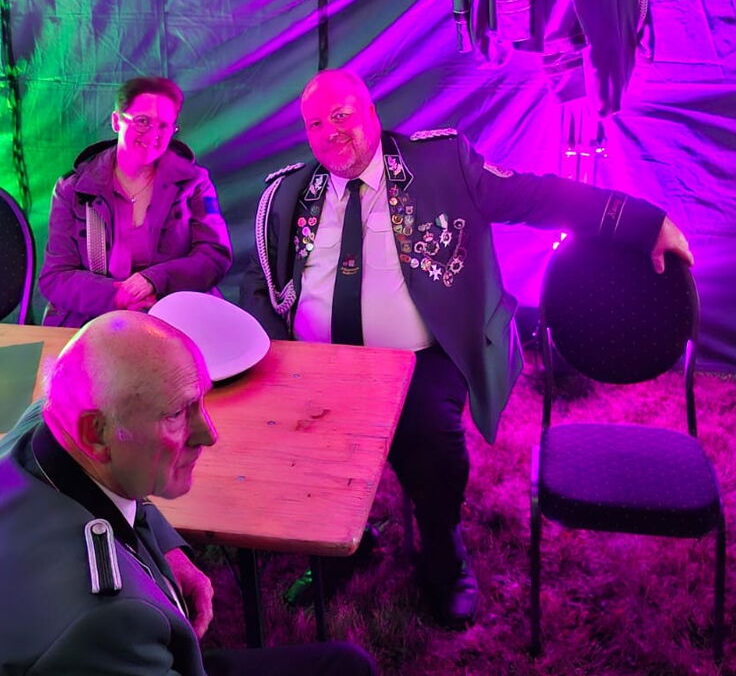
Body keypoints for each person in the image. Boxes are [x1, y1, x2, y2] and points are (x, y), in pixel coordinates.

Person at [241, 68, 694, 629]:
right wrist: (281, 354)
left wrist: (639, 221)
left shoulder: (442, 164)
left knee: (433, 445)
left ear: (371, 112)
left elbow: (535, 195)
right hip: (324, 365)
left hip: (419, 358)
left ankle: (442, 547)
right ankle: (344, 546)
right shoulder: (287, 194)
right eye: (315, 123)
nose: (331, 132)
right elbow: (260, 277)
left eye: (341, 115)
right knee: (305, 447)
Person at [0, 311, 376, 676]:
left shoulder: (46, 427)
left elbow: (107, 483)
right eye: (176, 414)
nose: (208, 434)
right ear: (96, 434)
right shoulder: (108, 618)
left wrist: (167, 549)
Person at [40, 75, 232, 326]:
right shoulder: (73, 188)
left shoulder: (195, 182)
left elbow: (214, 256)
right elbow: (55, 277)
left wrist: (155, 279)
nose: (153, 134)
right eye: (142, 121)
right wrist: (118, 296)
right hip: (94, 317)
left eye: (164, 126)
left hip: (175, 315)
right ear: (116, 121)